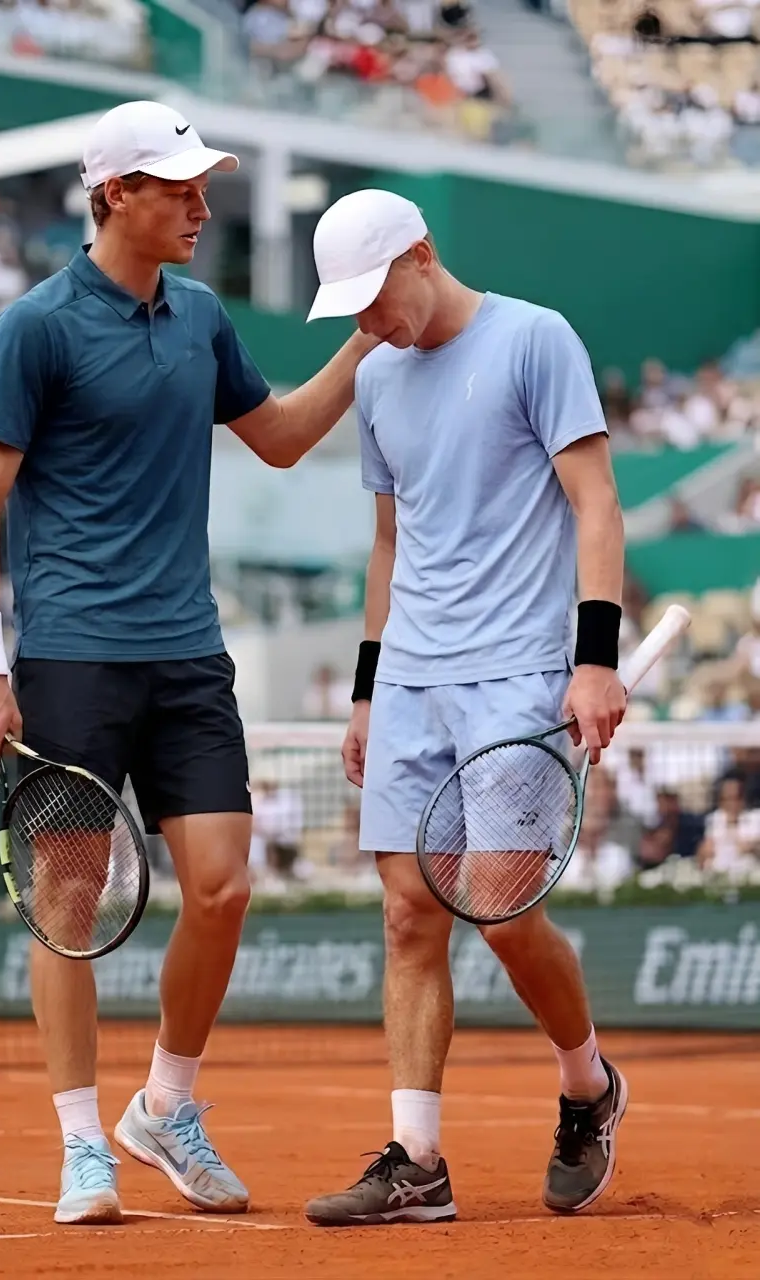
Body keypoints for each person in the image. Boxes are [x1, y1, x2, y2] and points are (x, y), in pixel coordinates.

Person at [0, 100, 377, 1225]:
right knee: (68, 904)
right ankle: (81, 1144)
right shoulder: (35, 328)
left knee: (223, 888)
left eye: (203, 188)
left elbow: (279, 437)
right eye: (178, 189)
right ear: (114, 196)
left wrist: (367, 338)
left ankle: (164, 1106)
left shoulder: (203, 317)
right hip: (72, 657)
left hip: (188, 652)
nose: (200, 207)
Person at [302, 189, 629, 1227]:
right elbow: (388, 544)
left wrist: (594, 661)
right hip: (409, 680)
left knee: (503, 911)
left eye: (373, 297)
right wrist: (367, 690)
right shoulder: (375, 377)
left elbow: (595, 503)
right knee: (408, 914)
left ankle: (587, 1083)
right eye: (349, 308)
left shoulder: (535, 339)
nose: (366, 322)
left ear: (422, 254)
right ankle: (418, 1160)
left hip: (518, 674)